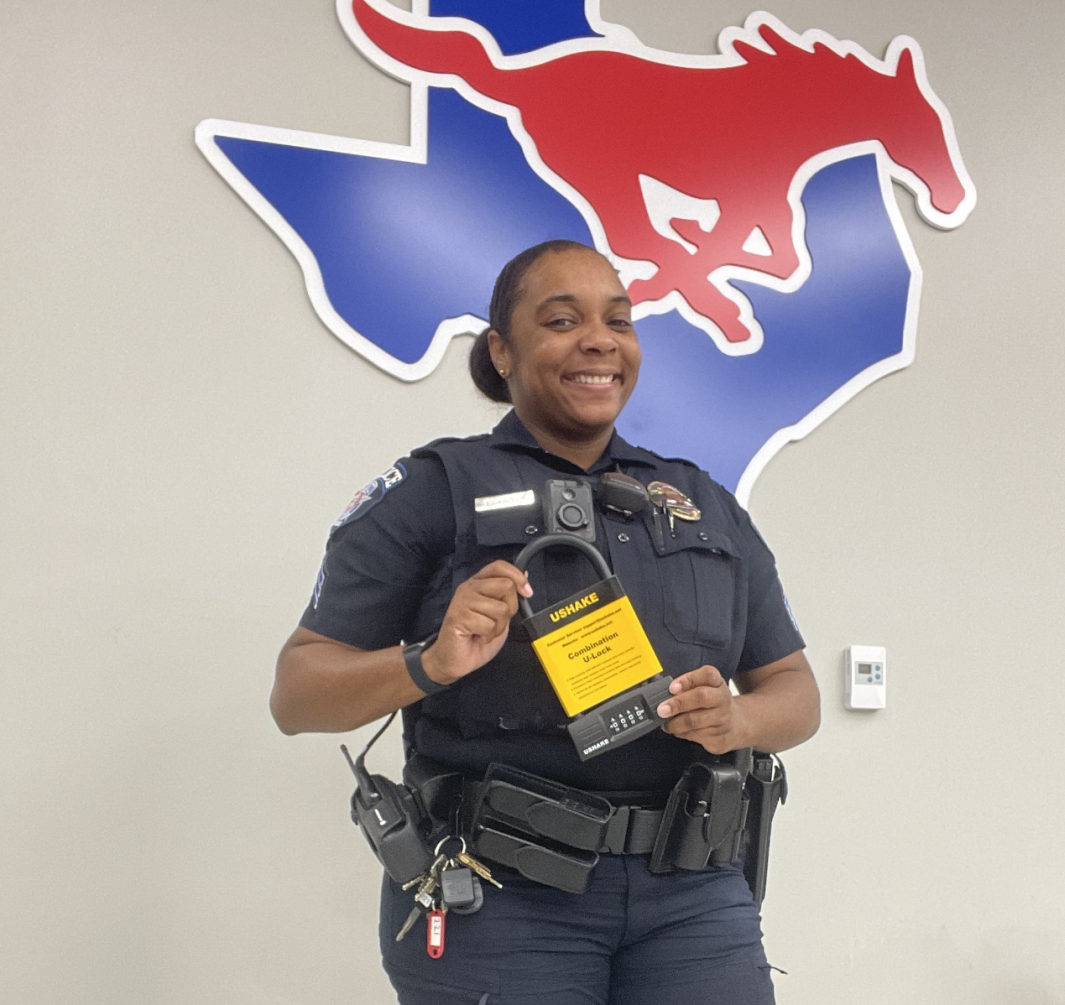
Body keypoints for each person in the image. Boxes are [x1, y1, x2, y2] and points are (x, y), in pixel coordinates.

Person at [271, 239, 821, 1005]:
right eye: (563, 320)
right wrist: (428, 661)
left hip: (692, 898)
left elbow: (794, 689)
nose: (599, 339)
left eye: (618, 321)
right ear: (502, 349)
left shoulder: (702, 501)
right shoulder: (436, 489)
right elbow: (298, 692)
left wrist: (738, 718)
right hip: (501, 895)